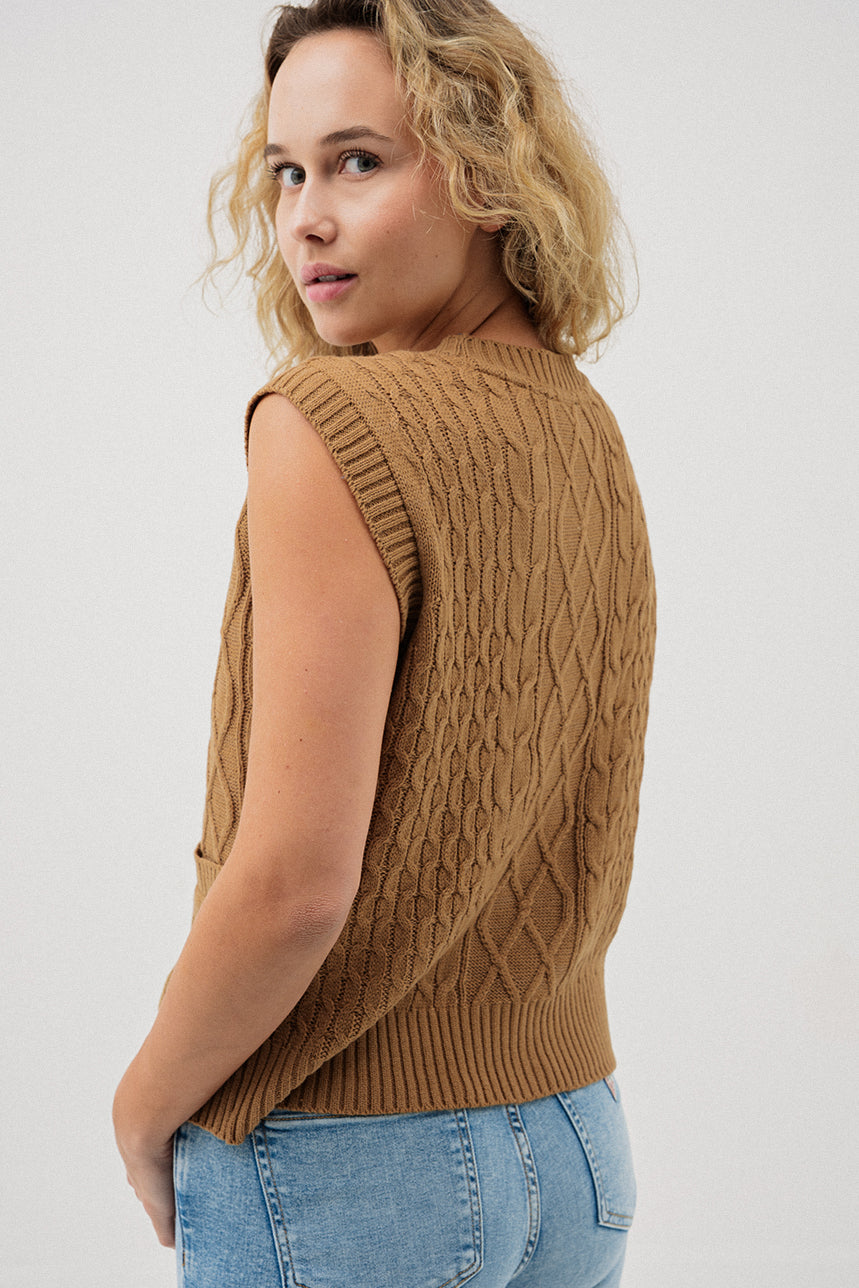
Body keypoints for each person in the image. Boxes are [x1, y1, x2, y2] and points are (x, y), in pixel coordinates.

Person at [113, 1, 656, 1284]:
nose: (305, 218)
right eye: (286, 172)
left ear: (484, 169)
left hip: (343, 1161)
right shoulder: (583, 424)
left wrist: (146, 1103)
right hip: (574, 1143)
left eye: (357, 161)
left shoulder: (327, 422)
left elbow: (295, 886)